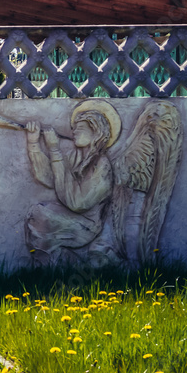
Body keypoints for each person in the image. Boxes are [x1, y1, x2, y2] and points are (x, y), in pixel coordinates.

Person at [23, 100, 118, 264]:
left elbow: (77, 203)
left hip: (87, 226)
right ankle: (53, 264)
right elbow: (50, 178)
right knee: (38, 213)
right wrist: (33, 143)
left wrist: (54, 149)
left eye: (80, 128)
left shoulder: (101, 165)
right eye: (74, 128)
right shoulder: (75, 156)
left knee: (41, 215)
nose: (74, 132)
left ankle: (51, 263)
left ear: (96, 133)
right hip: (71, 218)